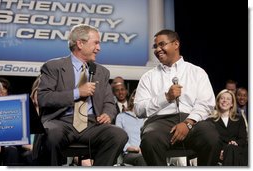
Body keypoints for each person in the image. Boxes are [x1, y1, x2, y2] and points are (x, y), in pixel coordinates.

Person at [36, 24, 128, 166]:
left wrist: (107, 114)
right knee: (50, 134)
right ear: (80, 43)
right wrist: (77, 93)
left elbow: (109, 103)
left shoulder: (101, 72)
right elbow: (44, 98)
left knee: (119, 135)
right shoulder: (53, 67)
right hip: (61, 122)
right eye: (96, 43)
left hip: (92, 125)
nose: (99, 48)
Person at [134, 29, 221, 166]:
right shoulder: (148, 77)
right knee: (150, 139)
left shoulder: (197, 72)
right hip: (160, 123)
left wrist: (188, 122)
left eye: (162, 44)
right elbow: (139, 109)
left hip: (193, 122)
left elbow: (206, 103)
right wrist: (166, 98)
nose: (158, 49)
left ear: (176, 44)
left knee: (211, 137)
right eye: (155, 46)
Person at [206, 89, 247, 166]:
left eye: (228, 99)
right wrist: (220, 152)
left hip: (237, 152)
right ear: (218, 102)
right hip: (217, 154)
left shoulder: (239, 119)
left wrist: (236, 143)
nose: (225, 100)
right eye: (222, 98)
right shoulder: (210, 121)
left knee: (232, 149)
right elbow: (209, 142)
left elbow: (243, 139)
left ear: (232, 104)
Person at [115, 89, 146, 166]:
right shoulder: (121, 117)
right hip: (131, 154)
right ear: (133, 97)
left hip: (147, 152)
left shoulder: (147, 118)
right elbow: (118, 138)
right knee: (142, 159)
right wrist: (133, 148)